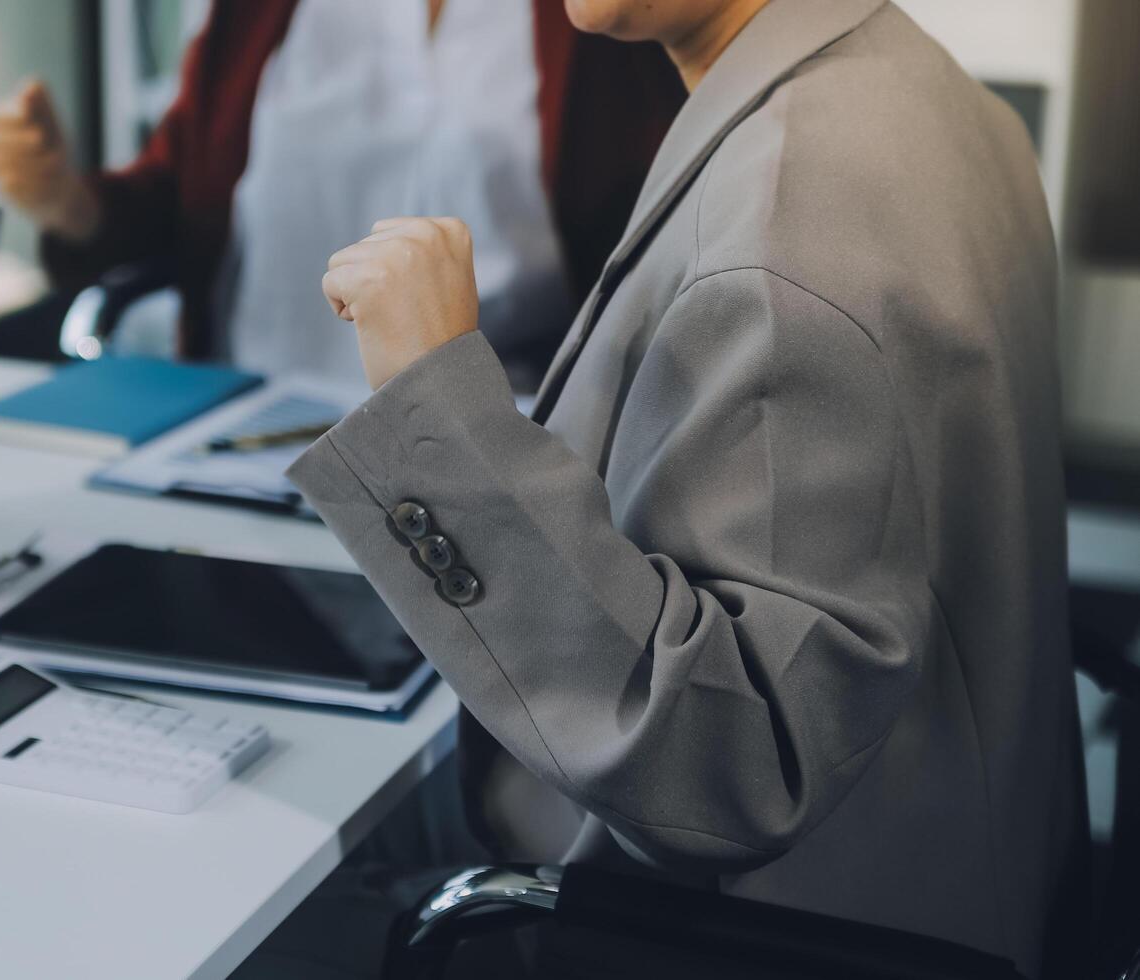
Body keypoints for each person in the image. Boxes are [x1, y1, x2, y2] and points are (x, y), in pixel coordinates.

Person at [287, 0, 1086, 976]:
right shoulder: (922, 89)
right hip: (953, 866)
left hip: (721, 934)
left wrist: (434, 411)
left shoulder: (791, 216)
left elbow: (732, 767)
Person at [0, 0, 685, 389]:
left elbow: (659, 238)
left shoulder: (605, 15)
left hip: (506, 435)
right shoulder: (258, 15)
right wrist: (64, 203)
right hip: (248, 424)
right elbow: (181, 194)